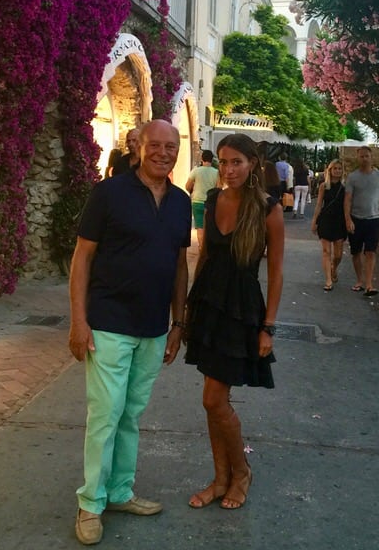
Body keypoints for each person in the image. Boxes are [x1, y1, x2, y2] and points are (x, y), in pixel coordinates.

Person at [69, 119, 192, 546]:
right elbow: (82, 258)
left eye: (171, 146)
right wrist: (79, 321)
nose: (163, 153)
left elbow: (180, 265)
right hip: (108, 322)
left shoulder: (180, 201)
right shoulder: (109, 193)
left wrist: (178, 323)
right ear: (139, 147)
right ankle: (90, 503)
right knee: (105, 415)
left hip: (154, 327)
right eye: (155, 145)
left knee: (131, 416)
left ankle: (119, 492)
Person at [184, 133, 284, 511]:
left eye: (236, 162)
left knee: (213, 399)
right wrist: (190, 310)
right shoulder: (213, 200)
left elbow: (276, 273)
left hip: (241, 310)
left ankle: (241, 472)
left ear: (252, 163)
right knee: (214, 402)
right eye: (223, 162)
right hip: (210, 304)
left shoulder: (268, 209)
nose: (228, 170)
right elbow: (206, 256)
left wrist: (268, 327)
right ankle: (220, 479)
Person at [343, 146, 379, 297]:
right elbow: (347, 200)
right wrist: (348, 219)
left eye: (367, 156)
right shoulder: (353, 177)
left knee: (370, 252)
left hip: (373, 219)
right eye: (361, 156)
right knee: (356, 252)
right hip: (356, 219)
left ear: (371, 157)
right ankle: (359, 280)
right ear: (358, 158)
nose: (364, 159)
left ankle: (369, 284)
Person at [311, 159, 347, 291]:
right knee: (326, 251)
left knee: (338, 255)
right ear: (330, 170)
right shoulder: (324, 186)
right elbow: (319, 205)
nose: (337, 171)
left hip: (339, 221)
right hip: (326, 220)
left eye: (339, 168)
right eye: (335, 168)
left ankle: (334, 268)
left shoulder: (345, 187)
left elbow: (347, 206)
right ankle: (328, 280)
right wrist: (314, 221)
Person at [185, 149, 220, 249]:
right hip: (211, 203)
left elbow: (187, 186)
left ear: (202, 158)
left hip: (197, 202)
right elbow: (219, 187)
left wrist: (192, 191)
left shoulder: (196, 171)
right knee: (208, 226)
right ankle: (207, 248)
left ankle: (201, 248)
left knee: (200, 226)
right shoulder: (216, 173)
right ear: (212, 159)